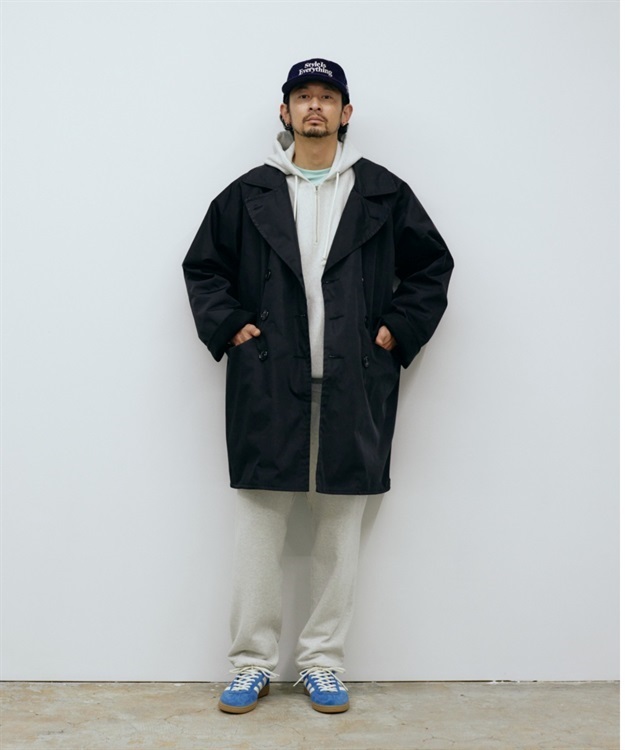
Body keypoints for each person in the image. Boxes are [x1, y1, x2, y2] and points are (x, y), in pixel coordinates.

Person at [182, 58, 453, 715]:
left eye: (326, 97)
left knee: (338, 531)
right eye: (302, 96)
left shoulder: (382, 193)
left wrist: (394, 331)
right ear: (284, 112)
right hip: (267, 381)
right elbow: (204, 268)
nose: (313, 107)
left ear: (344, 113)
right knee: (259, 529)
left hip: (353, 381)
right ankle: (250, 663)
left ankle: (322, 663)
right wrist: (232, 326)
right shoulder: (247, 194)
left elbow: (431, 267)